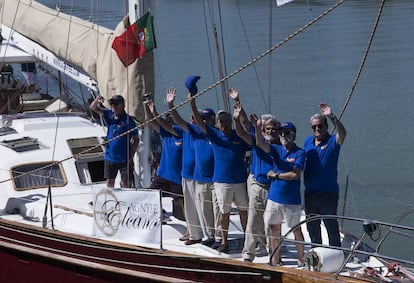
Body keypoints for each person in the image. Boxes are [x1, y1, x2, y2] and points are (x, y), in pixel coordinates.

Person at [191, 89, 249, 253]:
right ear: (217, 123)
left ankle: (247, 238)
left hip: (239, 181)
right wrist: (192, 102)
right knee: (224, 213)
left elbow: (248, 128)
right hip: (222, 181)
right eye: (221, 121)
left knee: (244, 211)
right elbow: (199, 121)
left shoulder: (239, 137)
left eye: (226, 120)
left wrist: (238, 102)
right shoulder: (215, 135)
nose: (223, 124)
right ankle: (224, 241)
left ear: (230, 121)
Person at [231, 90, 279, 262]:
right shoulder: (257, 138)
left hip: (274, 187)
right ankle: (248, 253)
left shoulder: (280, 145)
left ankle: (271, 251)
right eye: (267, 128)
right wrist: (237, 107)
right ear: (262, 128)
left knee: (270, 222)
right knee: (253, 219)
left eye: (274, 129)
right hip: (257, 183)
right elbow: (242, 129)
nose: (270, 131)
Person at [255, 119, 305, 266]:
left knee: (296, 230)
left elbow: (295, 175)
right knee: (273, 229)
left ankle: (301, 259)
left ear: (294, 135)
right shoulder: (276, 149)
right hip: (274, 198)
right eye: (281, 133)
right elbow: (260, 143)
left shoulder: (300, 152)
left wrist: (276, 175)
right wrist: (258, 129)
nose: (283, 135)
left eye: (287, 133)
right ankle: (276, 260)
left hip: (291, 200)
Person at [303, 103, 347, 247]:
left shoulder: (333, 141)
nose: (317, 129)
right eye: (314, 127)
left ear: (326, 126)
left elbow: (343, 133)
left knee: (331, 226)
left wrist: (331, 116)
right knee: (312, 227)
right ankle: (317, 252)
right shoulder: (307, 142)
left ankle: (335, 252)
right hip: (310, 193)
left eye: (320, 126)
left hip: (328, 193)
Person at [165, 87, 202, 245]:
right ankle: (194, 234)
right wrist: (170, 105)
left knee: (202, 207)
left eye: (197, 119)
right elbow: (177, 119)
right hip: (185, 175)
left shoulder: (206, 132)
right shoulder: (186, 130)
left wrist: (192, 102)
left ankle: (209, 235)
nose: (193, 121)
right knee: (191, 206)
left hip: (199, 177)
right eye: (192, 119)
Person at [143, 98, 186, 231]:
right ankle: (158, 216)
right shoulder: (166, 135)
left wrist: (155, 112)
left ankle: (191, 228)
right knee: (152, 194)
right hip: (163, 174)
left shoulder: (181, 133)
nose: (169, 122)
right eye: (168, 120)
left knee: (181, 201)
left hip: (176, 176)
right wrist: (147, 108)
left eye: (171, 120)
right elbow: (151, 122)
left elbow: (162, 123)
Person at [90, 95, 139, 188]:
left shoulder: (128, 120)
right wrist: (96, 100)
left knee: (126, 183)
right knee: (109, 182)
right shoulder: (109, 114)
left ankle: (126, 199)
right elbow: (93, 108)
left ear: (123, 105)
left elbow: (136, 140)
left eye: (116, 104)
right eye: (112, 104)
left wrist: (131, 155)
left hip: (124, 158)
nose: (114, 106)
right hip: (110, 156)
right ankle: (111, 199)